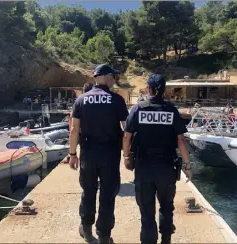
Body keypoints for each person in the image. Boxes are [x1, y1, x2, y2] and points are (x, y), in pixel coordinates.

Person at [122, 74, 192, 244]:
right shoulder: (171, 110)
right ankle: (166, 240)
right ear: (163, 89)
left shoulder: (139, 109)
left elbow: (127, 136)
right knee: (167, 207)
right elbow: (181, 140)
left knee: (146, 211)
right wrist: (188, 165)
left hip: (144, 166)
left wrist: (126, 156)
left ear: (149, 89)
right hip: (166, 167)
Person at [68, 64, 128, 244]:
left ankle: (86, 230)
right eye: (113, 77)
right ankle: (104, 235)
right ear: (107, 77)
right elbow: (126, 131)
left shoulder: (81, 100)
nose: (114, 80)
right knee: (108, 194)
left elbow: (73, 130)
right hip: (110, 155)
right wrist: (128, 154)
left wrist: (72, 154)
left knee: (88, 190)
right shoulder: (116, 100)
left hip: (88, 154)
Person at [61, 82, 94, 164]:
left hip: (82, 136)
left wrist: (72, 153)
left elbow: (71, 121)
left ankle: (71, 157)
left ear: (83, 91)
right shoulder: (97, 104)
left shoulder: (79, 102)